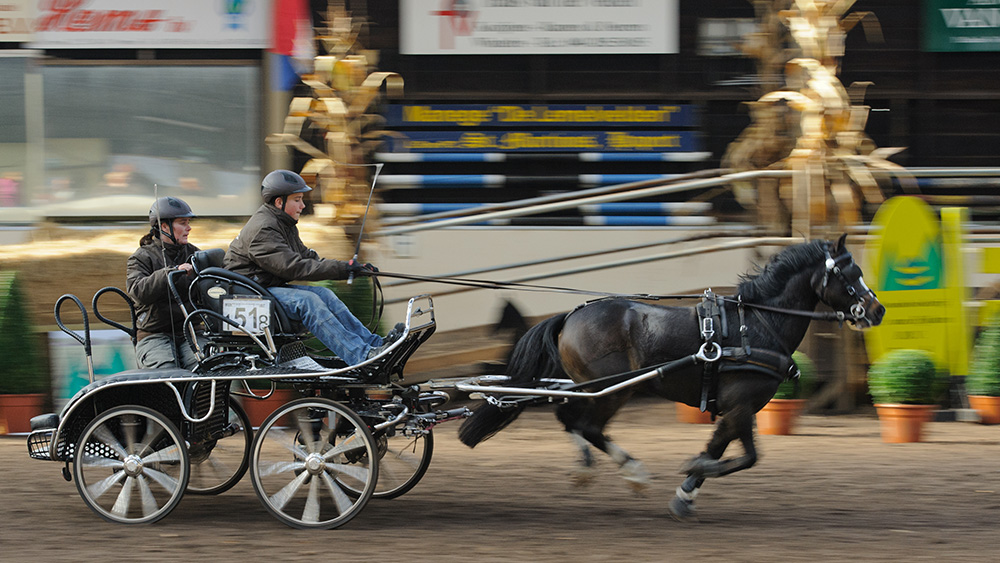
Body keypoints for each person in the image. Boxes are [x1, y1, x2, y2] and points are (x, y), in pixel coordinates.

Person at [224, 169, 400, 365]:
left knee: (325, 295)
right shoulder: (264, 229)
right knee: (308, 302)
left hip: (264, 288)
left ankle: (375, 345)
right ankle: (361, 356)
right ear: (279, 202)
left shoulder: (282, 222)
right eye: (297, 199)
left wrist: (351, 267)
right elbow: (294, 268)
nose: (303, 205)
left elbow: (307, 257)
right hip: (250, 296)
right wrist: (343, 270)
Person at [126, 196, 203, 370]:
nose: (189, 228)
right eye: (183, 223)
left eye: (188, 222)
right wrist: (171, 272)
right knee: (166, 370)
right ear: (164, 226)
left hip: (190, 332)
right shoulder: (142, 257)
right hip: (153, 334)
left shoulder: (195, 254)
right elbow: (138, 290)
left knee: (204, 365)